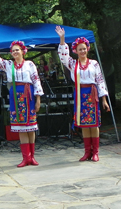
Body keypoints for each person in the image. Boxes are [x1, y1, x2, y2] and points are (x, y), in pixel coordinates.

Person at [0, 28, 44, 167]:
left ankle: (32, 156)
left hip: (29, 95)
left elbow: (36, 81)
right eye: (13, 50)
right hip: (15, 96)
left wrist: (38, 100)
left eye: (17, 50)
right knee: (21, 128)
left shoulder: (30, 64)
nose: (15, 52)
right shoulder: (9, 65)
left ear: (23, 51)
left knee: (30, 127)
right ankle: (25, 157)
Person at [55, 26, 110, 162]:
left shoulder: (94, 63)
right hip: (80, 94)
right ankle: (87, 152)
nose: (82, 51)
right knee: (84, 124)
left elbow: (100, 80)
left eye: (84, 48)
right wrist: (62, 38)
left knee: (94, 124)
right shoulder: (73, 63)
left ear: (87, 49)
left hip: (92, 93)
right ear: (75, 51)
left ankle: (95, 152)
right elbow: (63, 57)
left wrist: (104, 99)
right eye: (80, 49)